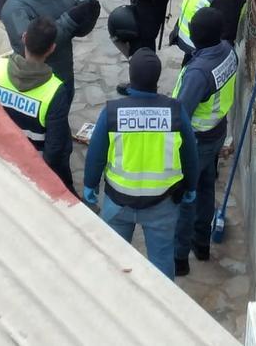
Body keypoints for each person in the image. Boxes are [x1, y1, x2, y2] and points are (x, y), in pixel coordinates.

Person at [83, 48, 197, 281]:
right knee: (162, 260)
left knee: (113, 259)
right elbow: (189, 154)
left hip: (118, 203)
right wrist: (191, 186)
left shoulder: (112, 113)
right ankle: (162, 308)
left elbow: (96, 154)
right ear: (156, 79)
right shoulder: (175, 112)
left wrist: (89, 186)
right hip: (162, 204)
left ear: (131, 77)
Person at [0, 16, 75, 193]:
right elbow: (54, 149)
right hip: (29, 171)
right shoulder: (55, 90)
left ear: (24, 37)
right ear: (51, 49)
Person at [171, 8, 238, 277]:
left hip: (196, 140)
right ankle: (201, 244)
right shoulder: (227, 51)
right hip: (216, 130)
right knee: (206, 187)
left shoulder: (199, 72)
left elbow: (182, 113)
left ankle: (180, 257)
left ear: (196, 38)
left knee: (187, 197)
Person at [1, 0, 101, 88]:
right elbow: (30, 47)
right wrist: (70, 19)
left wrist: (89, 16)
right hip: (37, 81)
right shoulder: (16, 8)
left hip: (64, 74)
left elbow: (75, 31)